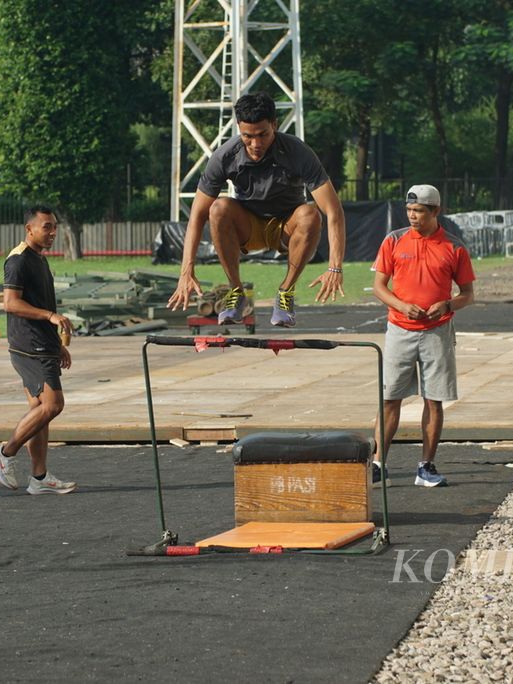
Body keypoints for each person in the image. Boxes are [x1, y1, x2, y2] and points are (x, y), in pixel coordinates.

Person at [167, 91, 347, 327]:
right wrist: (186, 270)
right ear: (239, 129)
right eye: (247, 136)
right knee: (218, 207)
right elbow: (197, 216)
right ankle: (236, 292)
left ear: (274, 124)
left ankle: (285, 292)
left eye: (263, 135)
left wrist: (335, 266)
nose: (256, 144)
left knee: (310, 214)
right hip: (247, 228)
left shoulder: (297, 151)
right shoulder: (225, 156)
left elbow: (334, 211)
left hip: (286, 228)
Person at [371, 185, 475, 487]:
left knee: (434, 400)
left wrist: (447, 304)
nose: (412, 216)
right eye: (409, 211)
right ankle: (378, 463)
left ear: (435, 211)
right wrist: (402, 305)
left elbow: (468, 294)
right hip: (399, 330)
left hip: (437, 333)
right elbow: (380, 287)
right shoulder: (393, 241)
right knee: (389, 398)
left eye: (418, 211)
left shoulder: (454, 247)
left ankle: (426, 466)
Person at [0, 205, 77, 495]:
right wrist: (51, 318)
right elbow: (11, 303)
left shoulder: (39, 259)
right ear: (29, 229)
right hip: (29, 346)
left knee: (40, 411)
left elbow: (42, 303)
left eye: (54, 227)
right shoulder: (18, 261)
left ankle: (39, 478)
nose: (51, 233)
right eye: (46, 227)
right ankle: (4, 452)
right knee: (53, 405)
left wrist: (56, 344)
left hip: (41, 343)